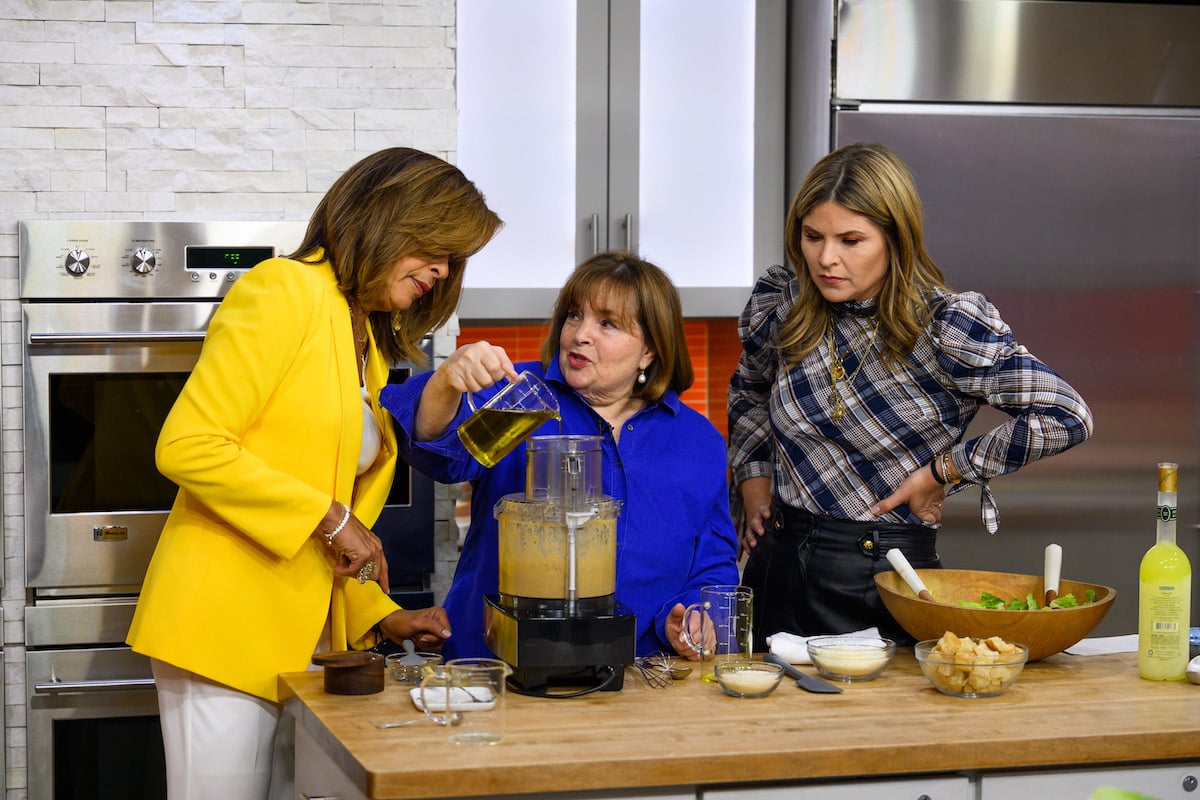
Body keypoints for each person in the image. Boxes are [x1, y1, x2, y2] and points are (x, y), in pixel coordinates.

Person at [126, 147, 502, 800]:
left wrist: (383, 616)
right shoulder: (283, 292)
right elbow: (187, 445)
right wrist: (330, 518)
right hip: (222, 626)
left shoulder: (367, 343)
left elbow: (328, 506)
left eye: (453, 259)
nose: (442, 272)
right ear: (387, 220)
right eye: (436, 248)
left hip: (303, 644)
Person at [728, 143, 1094, 649]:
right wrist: (754, 478)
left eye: (851, 240)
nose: (826, 258)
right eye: (812, 237)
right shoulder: (784, 302)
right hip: (777, 563)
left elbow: (1066, 414)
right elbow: (749, 388)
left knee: (883, 728)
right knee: (766, 725)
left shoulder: (946, 325)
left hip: (886, 577)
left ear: (895, 238)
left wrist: (945, 471)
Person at [380, 251, 740, 662]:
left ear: (650, 351)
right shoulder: (518, 394)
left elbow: (713, 566)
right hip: (498, 667)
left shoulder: (698, 442)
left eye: (607, 323)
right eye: (574, 316)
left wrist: (697, 617)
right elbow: (437, 451)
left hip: (639, 674)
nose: (580, 335)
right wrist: (446, 384)